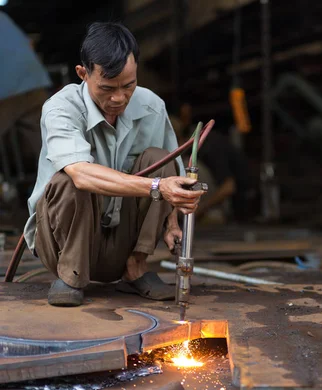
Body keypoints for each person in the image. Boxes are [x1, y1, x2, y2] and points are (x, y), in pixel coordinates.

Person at [23, 22, 205, 307]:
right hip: (61, 245)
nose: (119, 98)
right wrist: (157, 187)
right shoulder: (61, 108)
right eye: (107, 88)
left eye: (128, 85)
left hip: (121, 244)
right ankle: (71, 276)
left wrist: (171, 223)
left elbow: (171, 175)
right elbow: (80, 175)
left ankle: (136, 267)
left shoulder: (151, 106)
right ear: (83, 74)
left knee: (160, 160)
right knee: (69, 179)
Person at [0, 11, 51, 181]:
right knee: (50, 145)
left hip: (6, 87)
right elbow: (29, 44)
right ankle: (66, 194)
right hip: (33, 78)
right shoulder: (3, 16)